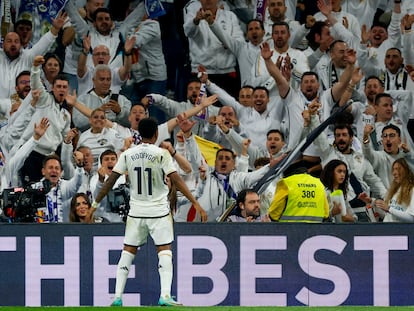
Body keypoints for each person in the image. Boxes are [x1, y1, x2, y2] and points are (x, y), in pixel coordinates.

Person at [92, 117, 207, 306]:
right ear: (155, 134)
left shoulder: (128, 154)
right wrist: (196, 203)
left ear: (140, 135)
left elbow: (111, 180)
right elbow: (177, 180)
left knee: (128, 251)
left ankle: (118, 297)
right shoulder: (162, 153)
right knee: (164, 251)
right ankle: (165, 296)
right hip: (159, 211)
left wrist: (95, 204)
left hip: (136, 211)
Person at [375, 158, 414, 222]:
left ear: (407, 171)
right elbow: (387, 215)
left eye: (398, 169)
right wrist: (370, 202)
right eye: (393, 169)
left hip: (400, 231)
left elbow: (412, 218)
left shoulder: (412, 190)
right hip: (387, 229)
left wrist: (389, 209)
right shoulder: (394, 190)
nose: (394, 173)